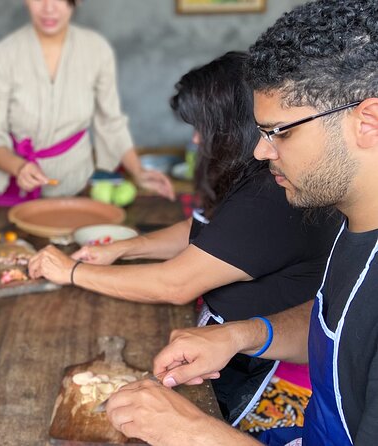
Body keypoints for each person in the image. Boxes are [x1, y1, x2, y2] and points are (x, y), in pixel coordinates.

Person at [103, 1, 378, 444]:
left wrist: (192, 432)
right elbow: (340, 322)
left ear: (368, 121)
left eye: (281, 132)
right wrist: (241, 336)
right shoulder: (355, 223)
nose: (260, 152)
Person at [29, 51, 340, 431]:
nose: (195, 138)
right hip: (234, 342)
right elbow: (208, 231)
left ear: (229, 124)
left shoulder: (270, 195)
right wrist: (124, 247)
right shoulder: (252, 176)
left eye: (201, 127)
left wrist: (71, 271)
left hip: (272, 374)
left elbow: (175, 283)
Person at [0, 0, 174, 206]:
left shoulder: (96, 50)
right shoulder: (5, 54)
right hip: (16, 191)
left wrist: (138, 172)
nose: (49, 7)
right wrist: (18, 167)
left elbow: (111, 122)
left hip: (77, 187)